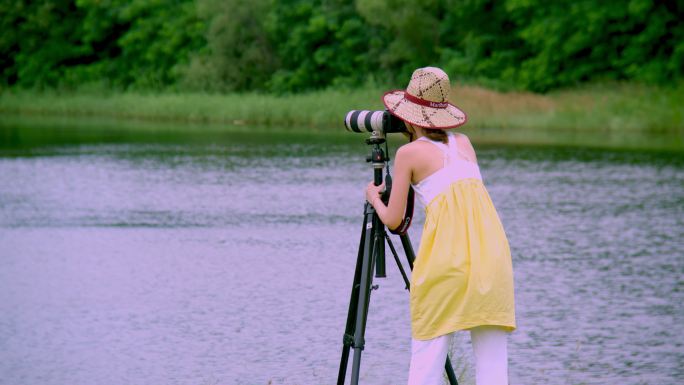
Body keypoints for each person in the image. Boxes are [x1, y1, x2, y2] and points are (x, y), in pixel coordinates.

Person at [365, 67, 516, 385]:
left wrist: (374, 198)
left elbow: (394, 220)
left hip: (447, 263)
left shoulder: (408, 153)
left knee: (426, 364)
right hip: (492, 257)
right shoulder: (464, 143)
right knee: (493, 369)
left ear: (408, 116)